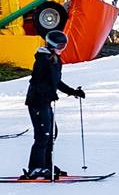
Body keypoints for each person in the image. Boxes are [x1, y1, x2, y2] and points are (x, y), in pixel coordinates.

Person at [21, 30, 85, 181]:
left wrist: (72, 91)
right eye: (60, 45)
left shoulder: (55, 60)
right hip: (37, 101)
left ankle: (47, 165)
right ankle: (35, 168)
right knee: (43, 135)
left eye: (64, 46)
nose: (62, 49)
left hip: (46, 101)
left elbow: (56, 82)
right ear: (52, 44)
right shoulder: (43, 60)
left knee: (51, 133)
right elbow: (36, 82)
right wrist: (48, 93)